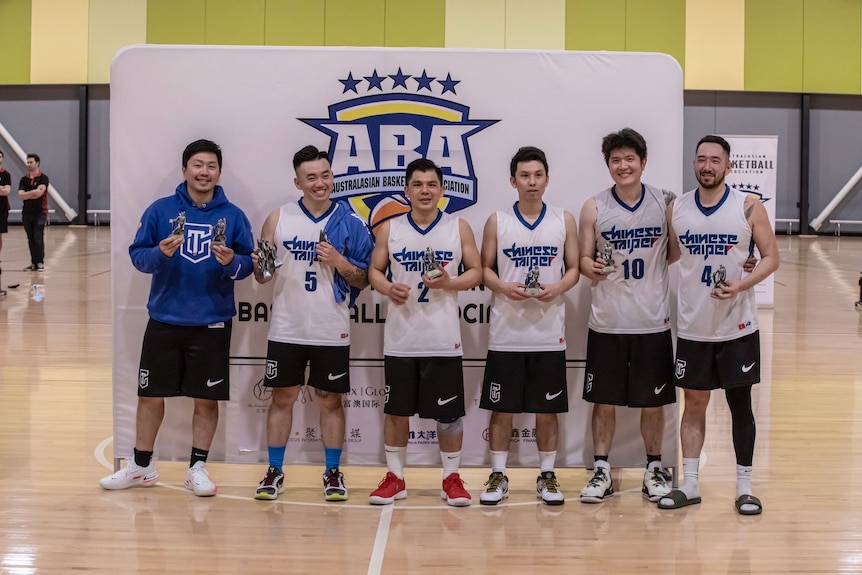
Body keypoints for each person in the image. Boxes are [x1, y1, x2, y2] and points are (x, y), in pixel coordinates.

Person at [99, 139, 254, 496]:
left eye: (211, 165)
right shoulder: (160, 210)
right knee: (150, 395)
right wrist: (160, 255)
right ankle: (140, 466)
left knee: (206, 399)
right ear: (184, 169)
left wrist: (233, 263)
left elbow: (248, 265)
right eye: (197, 165)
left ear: (219, 171)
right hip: (165, 318)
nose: (204, 172)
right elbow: (138, 255)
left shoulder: (233, 216)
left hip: (212, 320)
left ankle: (197, 467)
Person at [658, 135, 779, 516]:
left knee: (739, 403)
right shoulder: (676, 209)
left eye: (715, 160)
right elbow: (672, 257)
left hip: (737, 326)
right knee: (693, 404)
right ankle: (690, 483)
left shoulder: (747, 206)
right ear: (694, 164)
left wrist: (743, 283)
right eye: (701, 159)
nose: (707, 166)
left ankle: (745, 486)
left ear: (728, 167)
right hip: (694, 326)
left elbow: (772, 257)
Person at [253, 145, 373, 502]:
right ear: (298, 181)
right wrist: (261, 265)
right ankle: (275, 471)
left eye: (325, 175)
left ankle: (333, 473)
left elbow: (365, 279)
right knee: (282, 398)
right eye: (311, 177)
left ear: (332, 177)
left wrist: (339, 261)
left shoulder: (351, 222)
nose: (320, 183)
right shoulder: (279, 218)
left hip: (330, 328)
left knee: (330, 402)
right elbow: (261, 277)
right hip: (287, 327)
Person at [367, 158, 482, 507]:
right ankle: (395, 477)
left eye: (432, 184)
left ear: (442, 189)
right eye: (417, 184)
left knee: (448, 415)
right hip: (402, 339)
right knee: (396, 412)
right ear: (407, 190)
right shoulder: (390, 229)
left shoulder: (458, 227)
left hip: (443, 338)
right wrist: (388, 288)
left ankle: (450, 479)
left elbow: (476, 272)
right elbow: (374, 270)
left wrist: (450, 282)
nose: (425, 191)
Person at [577, 128, 676, 504]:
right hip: (607, 322)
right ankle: (602, 469)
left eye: (629, 159)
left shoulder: (664, 201)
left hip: (652, 321)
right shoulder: (594, 206)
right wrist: (592, 268)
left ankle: (654, 468)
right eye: (615, 160)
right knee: (604, 401)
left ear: (643, 162)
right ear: (608, 166)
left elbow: (675, 253)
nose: (623, 166)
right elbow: (585, 259)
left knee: (653, 402)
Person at [478, 146, 580, 506]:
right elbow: (484, 269)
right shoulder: (497, 221)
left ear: (547, 179)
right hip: (507, 334)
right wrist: (503, 286)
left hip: (549, 333)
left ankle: (547, 476)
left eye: (538, 175)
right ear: (513, 181)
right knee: (502, 408)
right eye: (524, 175)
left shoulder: (563, 220)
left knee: (547, 409)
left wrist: (558, 287)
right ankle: (498, 475)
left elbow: (574, 268)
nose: (531, 182)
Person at [18, 153, 49, 271]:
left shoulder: (43, 178)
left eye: (31, 162)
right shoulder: (24, 179)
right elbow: (20, 195)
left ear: (37, 163)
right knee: (30, 238)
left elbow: (40, 193)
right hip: (26, 213)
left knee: (38, 237)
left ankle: (40, 262)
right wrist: (32, 193)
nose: (29, 164)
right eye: (28, 162)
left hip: (40, 213)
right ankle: (33, 262)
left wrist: (28, 194)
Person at [0, 151, 10, 293]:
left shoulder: (5, 175)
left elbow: (6, 191)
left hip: (1, 209)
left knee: (0, 235)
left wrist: (2, 189)